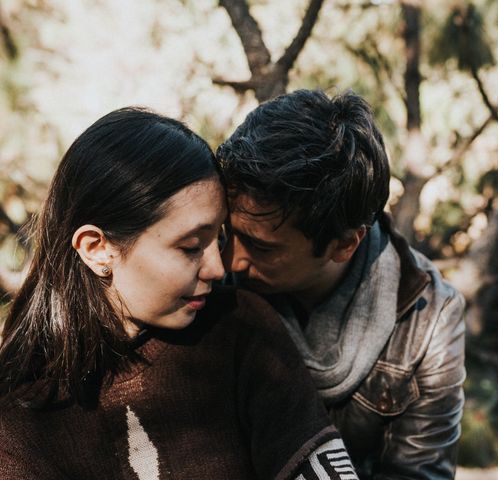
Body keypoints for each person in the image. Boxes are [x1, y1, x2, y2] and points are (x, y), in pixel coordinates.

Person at [0, 107, 358, 479]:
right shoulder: (19, 412)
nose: (218, 268)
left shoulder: (238, 327)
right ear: (96, 248)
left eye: (218, 238)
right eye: (190, 247)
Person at [216, 89, 466, 479]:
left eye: (261, 247)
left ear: (345, 244)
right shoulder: (207, 275)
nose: (229, 261)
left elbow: (417, 474)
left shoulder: (428, 319)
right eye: (227, 232)